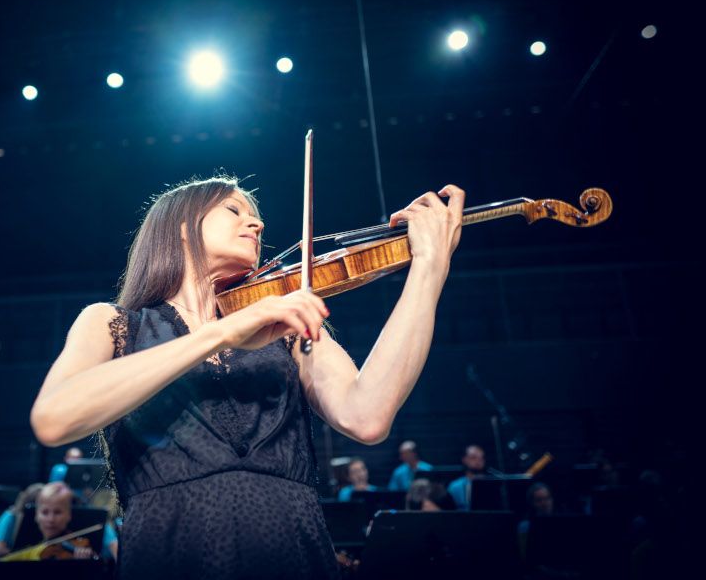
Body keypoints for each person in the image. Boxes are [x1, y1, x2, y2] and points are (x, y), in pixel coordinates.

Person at [30, 175, 465, 579]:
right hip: (171, 552)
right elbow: (54, 418)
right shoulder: (112, 323)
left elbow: (367, 416)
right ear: (182, 226)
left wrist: (429, 269)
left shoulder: (284, 326)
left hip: (293, 549)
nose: (255, 222)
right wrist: (222, 332)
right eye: (234, 210)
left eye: (254, 214)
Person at [447, 444, 486, 510]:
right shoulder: (455, 486)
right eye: (473, 457)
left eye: (481, 457)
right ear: (464, 460)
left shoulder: (493, 484)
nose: (478, 460)